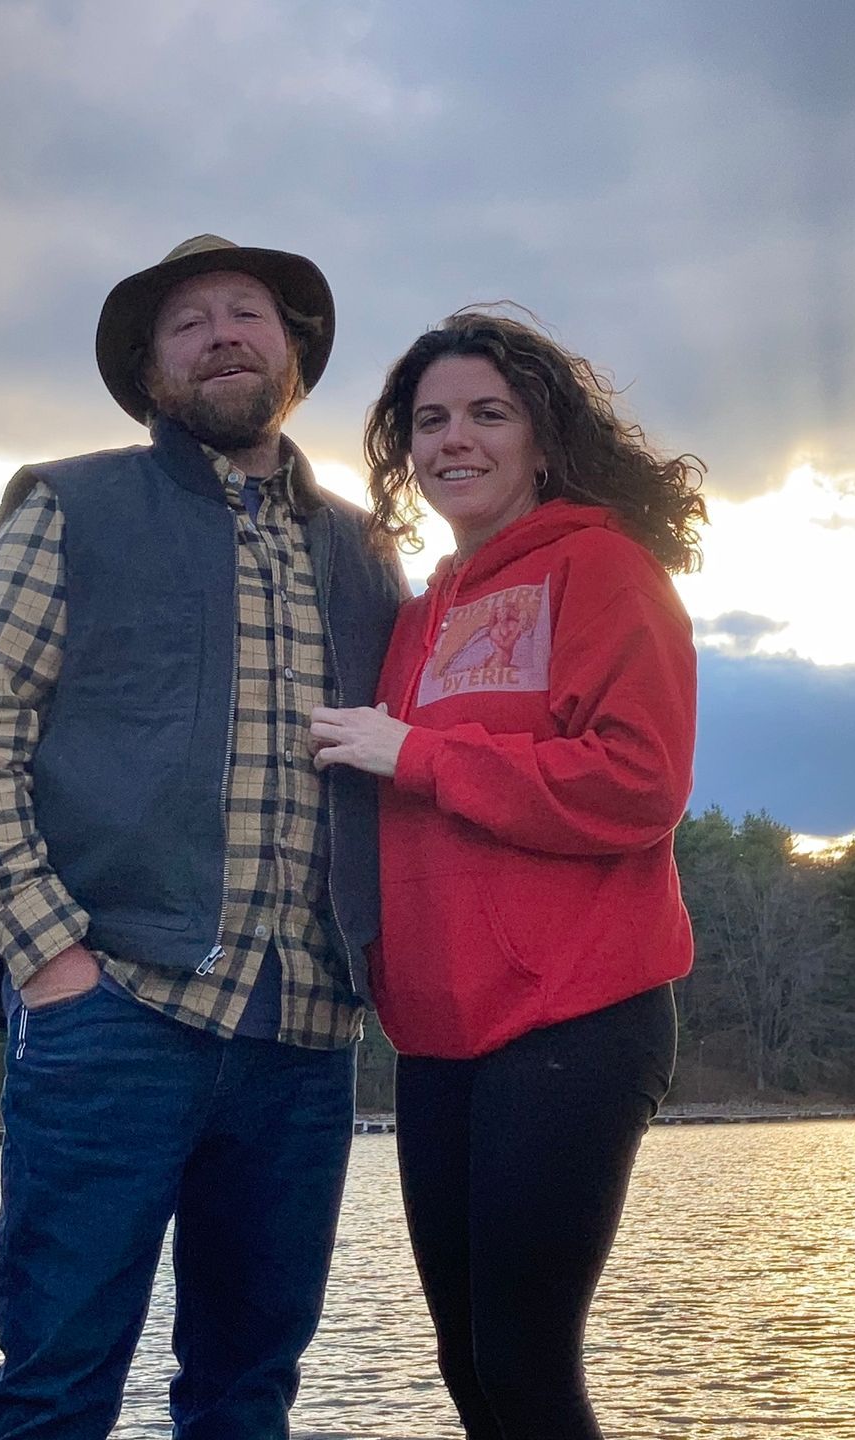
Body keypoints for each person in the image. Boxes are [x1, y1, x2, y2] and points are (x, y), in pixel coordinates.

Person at [0, 234, 405, 1440]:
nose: (223, 332)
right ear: (149, 372)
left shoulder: (367, 550)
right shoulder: (70, 507)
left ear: (295, 356)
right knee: (56, 1387)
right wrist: (55, 966)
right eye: (188, 323)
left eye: (249, 313)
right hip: (115, 1014)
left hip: (304, 1035)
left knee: (248, 1393)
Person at [310, 308, 706, 1439]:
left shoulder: (605, 567)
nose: (455, 441)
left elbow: (637, 784)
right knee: (470, 1364)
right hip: (439, 1038)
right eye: (429, 421)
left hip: (576, 1018)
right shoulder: (420, 611)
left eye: (489, 413)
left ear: (544, 436)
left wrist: (421, 754)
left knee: (527, 1365)